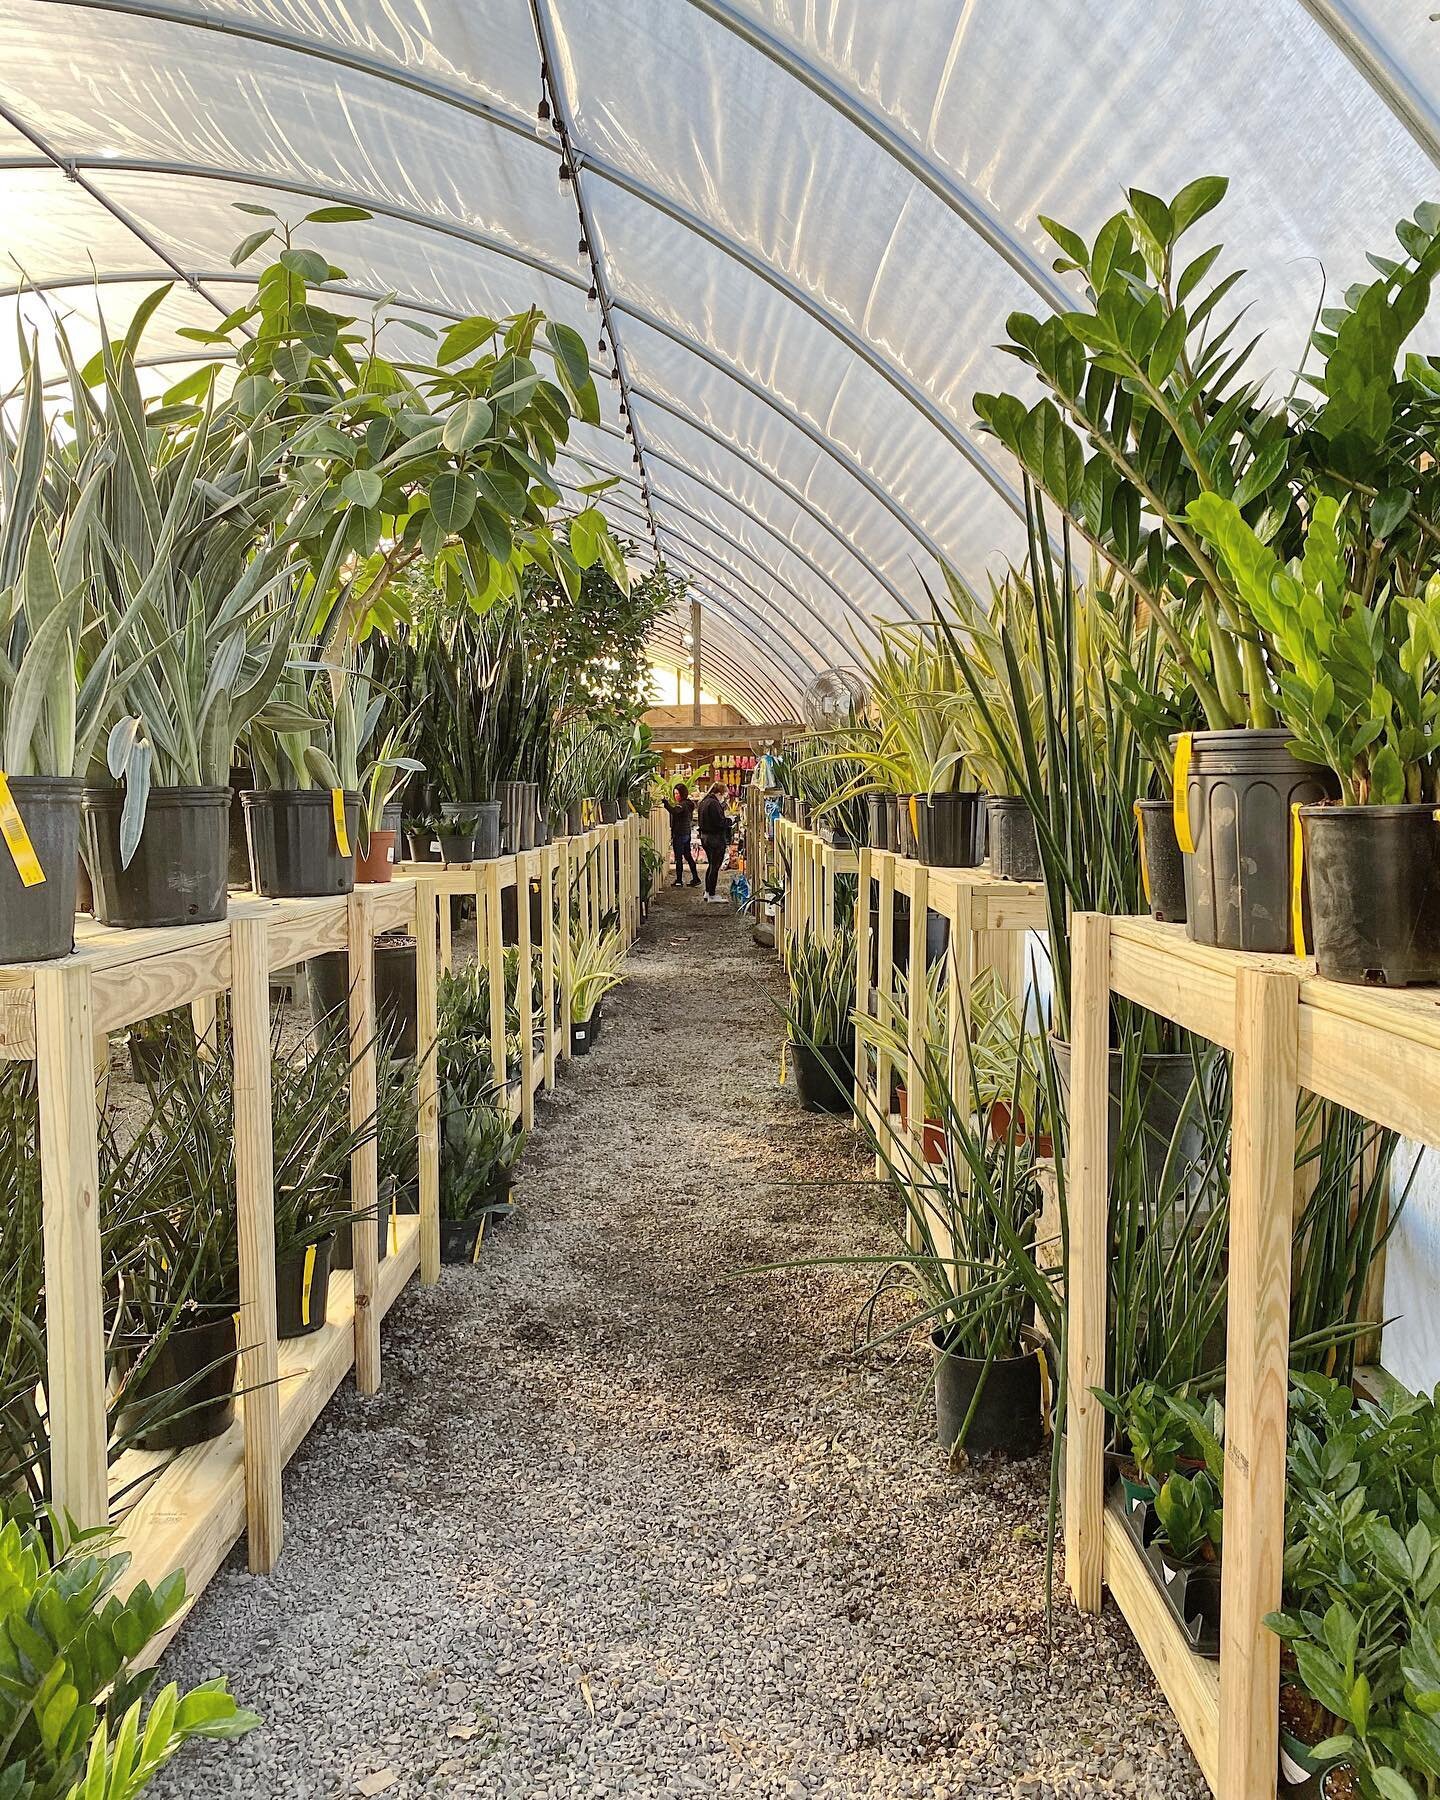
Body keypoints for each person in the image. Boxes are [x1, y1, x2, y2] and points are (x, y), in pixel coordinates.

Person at [697, 782, 732, 902]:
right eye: (723, 795)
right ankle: (712, 894)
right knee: (715, 866)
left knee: (711, 865)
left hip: (705, 837)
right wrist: (730, 821)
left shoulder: (704, 802)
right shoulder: (713, 803)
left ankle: (708, 892)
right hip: (714, 838)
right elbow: (719, 822)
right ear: (719, 793)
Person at [661, 783, 698, 887]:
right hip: (686, 833)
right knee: (688, 856)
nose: (676, 795)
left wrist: (666, 803)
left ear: (682, 793)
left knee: (679, 858)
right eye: (675, 793)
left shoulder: (682, 805)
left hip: (680, 834)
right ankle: (695, 878)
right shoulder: (689, 804)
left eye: (677, 793)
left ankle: (679, 880)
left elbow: (674, 811)